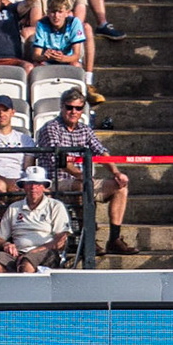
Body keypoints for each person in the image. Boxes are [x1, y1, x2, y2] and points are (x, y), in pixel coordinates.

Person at [36, 86, 137, 254]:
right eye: (69, 107)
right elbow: (58, 159)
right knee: (82, 185)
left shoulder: (85, 129)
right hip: (56, 181)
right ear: (62, 107)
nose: (73, 111)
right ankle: (87, 239)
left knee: (121, 187)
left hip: (81, 179)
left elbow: (101, 151)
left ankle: (114, 239)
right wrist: (81, 175)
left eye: (78, 108)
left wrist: (116, 173)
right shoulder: (51, 128)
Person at [0, 161, 68, 269]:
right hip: (17, 253)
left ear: (44, 186)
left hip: (46, 253)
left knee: (27, 263)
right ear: (24, 186)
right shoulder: (13, 207)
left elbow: (61, 240)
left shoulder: (55, 206)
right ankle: (5, 286)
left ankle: (26, 285)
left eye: (38, 184)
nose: (33, 187)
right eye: (30, 183)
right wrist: (5, 244)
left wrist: (36, 251)